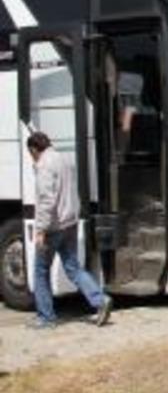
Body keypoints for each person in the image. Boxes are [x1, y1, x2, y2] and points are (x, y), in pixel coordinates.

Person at [27, 132, 113, 329]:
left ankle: (46, 318)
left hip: (53, 227)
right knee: (73, 267)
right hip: (70, 224)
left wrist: (40, 230)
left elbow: (46, 201)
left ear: (34, 149)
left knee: (40, 271)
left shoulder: (44, 165)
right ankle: (100, 300)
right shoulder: (64, 160)